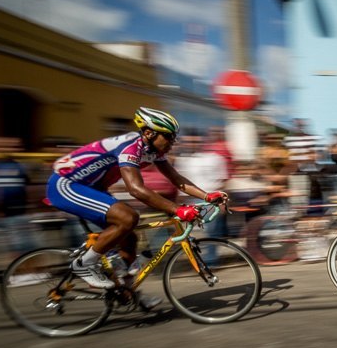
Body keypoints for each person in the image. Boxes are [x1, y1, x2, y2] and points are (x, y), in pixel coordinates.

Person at [46, 107, 227, 292]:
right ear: (149, 133)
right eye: (168, 136)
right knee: (128, 217)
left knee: (129, 237)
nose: (173, 142)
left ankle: (128, 293)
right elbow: (136, 189)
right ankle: (84, 264)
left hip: (92, 188)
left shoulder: (153, 150)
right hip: (66, 184)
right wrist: (177, 209)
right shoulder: (130, 145)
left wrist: (207, 195)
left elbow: (176, 179)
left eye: (174, 137)